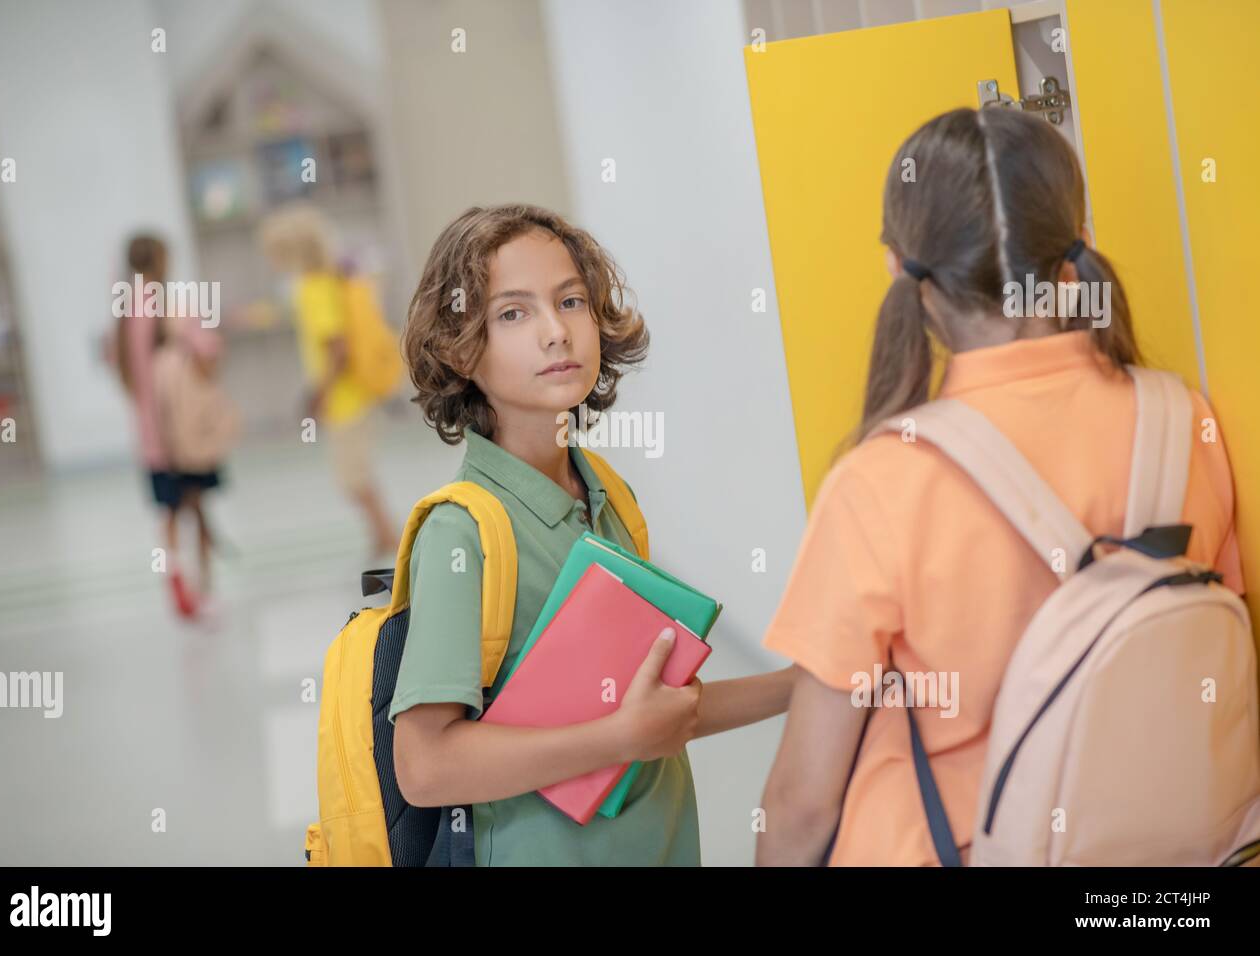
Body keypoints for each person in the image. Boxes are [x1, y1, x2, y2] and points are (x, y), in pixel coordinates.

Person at [756, 107, 1245, 866]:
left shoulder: (880, 482)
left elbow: (801, 803)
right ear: (1072, 253)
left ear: (900, 269)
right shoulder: (1184, 423)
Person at [389, 204, 796, 865]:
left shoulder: (607, 494)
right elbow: (426, 766)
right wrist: (617, 738)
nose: (556, 332)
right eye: (513, 313)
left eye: (570, 300)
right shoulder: (461, 534)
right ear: (461, 348)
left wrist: (806, 686)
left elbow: (661, 715)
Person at [259, 206, 399, 560]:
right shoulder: (330, 278)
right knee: (358, 475)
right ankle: (382, 536)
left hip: (345, 399)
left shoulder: (311, 289)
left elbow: (337, 349)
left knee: (353, 479)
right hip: (356, 395)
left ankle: (393, 540)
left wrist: (318, 394)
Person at [113, 234, 227, 619]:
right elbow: (209, 350)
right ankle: (206, 589)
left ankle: (176, 586)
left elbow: (126, 375)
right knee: (198, 507)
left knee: (169, 515)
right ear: (161, 259)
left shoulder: (125, 313)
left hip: (153, 437)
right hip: (186, 432)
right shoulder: (172, 306)